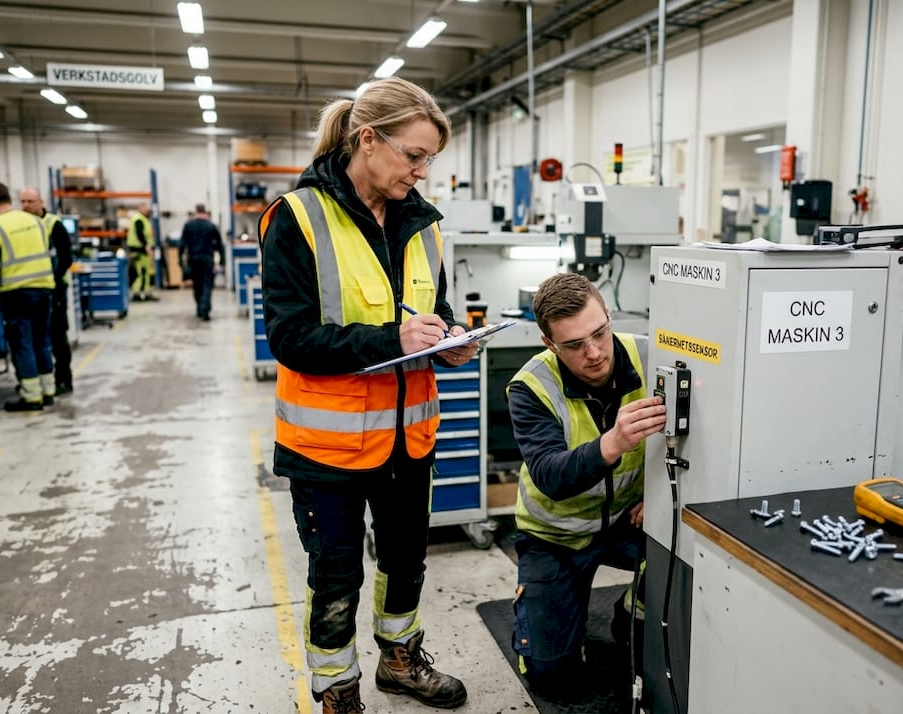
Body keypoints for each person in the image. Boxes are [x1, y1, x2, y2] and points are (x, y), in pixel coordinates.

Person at [259, 77, 475, 714]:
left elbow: (428, 311)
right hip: (328, 448)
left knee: (406, 560)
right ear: (368, 139)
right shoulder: (296, 217)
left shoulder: (422, 225)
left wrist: (452, 336)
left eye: (430, 158)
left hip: (410, 437)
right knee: (336, 576)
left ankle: (400, 663)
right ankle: (337, 691)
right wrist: (392, 338)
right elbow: (291, 337)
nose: (422, 171)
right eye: (413, 155)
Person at [505, 273, 666, 693]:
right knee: (550, 676)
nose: (594, 353)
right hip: (555, 537)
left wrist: (660, 497)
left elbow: (699, 437)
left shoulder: (651, 356)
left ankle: (632, 610)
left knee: (686, 553)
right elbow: (551, 476)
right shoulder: (531, 387)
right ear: (549, 344)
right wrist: (612, 442)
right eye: (575, 345)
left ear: (609, 317)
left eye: (600, 333)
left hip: (624, 522)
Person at [0, 182, 57, 412]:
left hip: (16, 294)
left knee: (23, 345)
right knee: (42, 341)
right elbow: (52, 257)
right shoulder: (35, 222)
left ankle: (32, 397)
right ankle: (48, 392)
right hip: (44, 290)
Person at [19, 187, 75, 395]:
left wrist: (49, 280)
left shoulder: (54, 225)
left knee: (58, 337)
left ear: (41, 202)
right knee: (33, 339)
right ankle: (39, 381)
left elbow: (66, 259)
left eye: (30, 201)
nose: (26, 206)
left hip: (54, 290)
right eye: (23, 201)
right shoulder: (20, 228)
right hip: (29, 291)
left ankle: (63, 379)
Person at [179, 203, 225, 321]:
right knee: (207, 285)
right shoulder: (211, 226)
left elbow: (182, 244)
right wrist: (222, 261)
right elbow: (220, 245)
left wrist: (180, 260)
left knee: (197, 285)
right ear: (205, 212)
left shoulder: (188, 225)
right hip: (207, 259)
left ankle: (200, 307)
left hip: (193, 259)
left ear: (195, 212)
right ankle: (204, 309)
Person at [127, 201, 157, 301]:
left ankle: (145, 292)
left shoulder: (143, 219)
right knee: (142, 272)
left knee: (146, 272)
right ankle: (137, 293)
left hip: (142, 250)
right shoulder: (139, 219)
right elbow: (140, 233)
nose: (147, 210)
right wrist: (146, 246)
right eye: (145, 208)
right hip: (140, 250)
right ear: (140, 208)